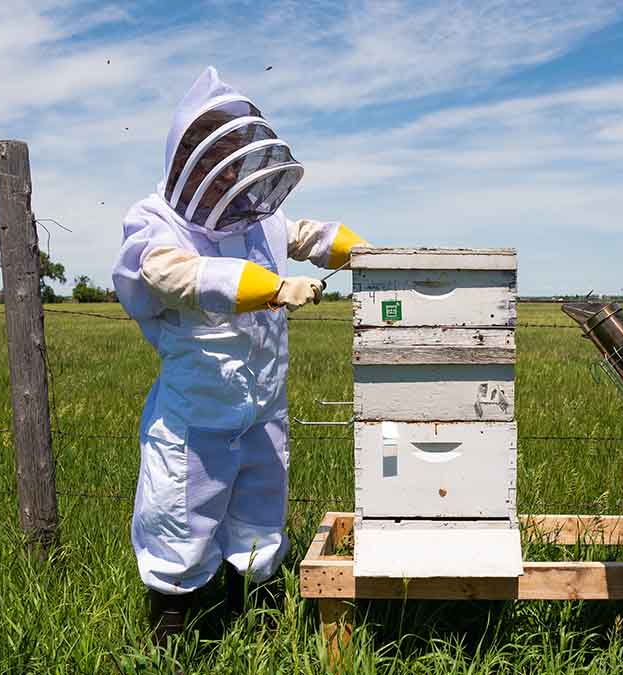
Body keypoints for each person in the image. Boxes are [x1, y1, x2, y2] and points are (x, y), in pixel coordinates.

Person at [112, 66, 368, 646]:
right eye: (213, 154)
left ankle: (252, 623)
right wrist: (273, 289)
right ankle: (174, 641)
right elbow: (167, 272)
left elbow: (303, 232)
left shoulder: (257, 215)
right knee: (180, 516)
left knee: (258, 515)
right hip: (198, 412)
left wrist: (362, 253)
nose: (222, 165)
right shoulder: (155, 220)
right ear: (187, 160)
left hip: (263, 407)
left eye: (231, 151)